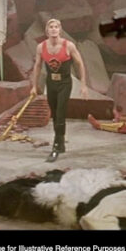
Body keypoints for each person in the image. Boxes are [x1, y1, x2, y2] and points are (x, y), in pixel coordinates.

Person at [29, 18, 89, 162]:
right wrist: (34, 86)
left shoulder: (68, 45)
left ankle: (56, 146)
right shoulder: (41, 47)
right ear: (47, 31)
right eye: (51, 27)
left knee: (61, 113)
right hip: (51, 83)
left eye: (56, 27)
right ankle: (61, 143)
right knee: (55, 115)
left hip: (64, 83)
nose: (54, 29)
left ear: (60, 30)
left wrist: (83, 85)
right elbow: (37, 66)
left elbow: (80, 64)